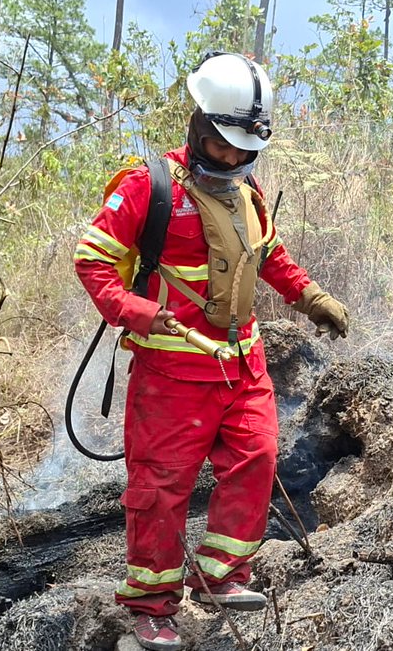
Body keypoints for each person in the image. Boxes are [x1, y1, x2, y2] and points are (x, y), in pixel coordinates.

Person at [73, 52, 349, 651]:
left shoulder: (248, 191)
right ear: (198, 125)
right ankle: (151, 603)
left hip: (242, 363)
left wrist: (312, 296)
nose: (234, 157)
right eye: (224, 145)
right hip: (171, 371)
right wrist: (135, 310)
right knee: (161, 489)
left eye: (245, 148)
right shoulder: (148, 186)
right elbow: (92, 261)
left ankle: (221, 574)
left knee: (258, 458)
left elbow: (268, 257)